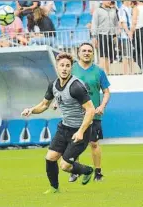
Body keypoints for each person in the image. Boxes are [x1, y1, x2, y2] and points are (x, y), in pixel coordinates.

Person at [21, 53, 96, 193]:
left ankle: (87, 171)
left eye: (67, 66)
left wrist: (80, 132)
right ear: (57, 67)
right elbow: (44, 105)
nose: (64, 68)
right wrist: (31, 110)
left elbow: (90, 110)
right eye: (62, 65)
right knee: (50, 158)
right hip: (64, 128)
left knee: (65, 166)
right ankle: (54, 189)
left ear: (71, 68)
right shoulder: (53, 85)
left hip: (81, 130)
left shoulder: (76, 87)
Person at [67, 43, 110, 182]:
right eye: (84, 50)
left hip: (93, 114)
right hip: (75, 113)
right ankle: (75, 170)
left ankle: (98, 173)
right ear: (78, 53)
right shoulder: (71, 69)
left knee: (94, 143)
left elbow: (106, 92)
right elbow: (63, 87)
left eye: (89, 51)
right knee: (74, 142)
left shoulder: (99, 71)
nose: (86, 53)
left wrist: (102, 106)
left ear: (93, 53)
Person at [91, 1, 119, 74]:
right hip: (101, 34)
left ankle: (107, 72)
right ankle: (102, 73)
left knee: (109, 55)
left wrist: (115, 34)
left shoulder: (113, 10)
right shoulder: (97, 11)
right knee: (102, 55)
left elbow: (116, 23)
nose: (109, 1)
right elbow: (94, 24)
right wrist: (94, 36)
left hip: (111, 35)